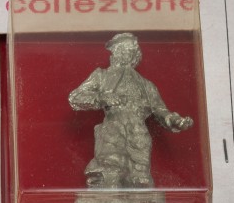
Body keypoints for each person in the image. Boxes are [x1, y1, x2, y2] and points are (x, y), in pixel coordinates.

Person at [69, 31, 192, 189]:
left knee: (140, 182)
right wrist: (101, 98)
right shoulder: (102, 76)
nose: (126, 54)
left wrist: (175, 120)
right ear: (115, 52)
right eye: (122, 50)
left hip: (138, 136)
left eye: (130, 50)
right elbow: (75, 97)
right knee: (110, 173)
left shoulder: (146, 85)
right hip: (113, 132)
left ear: (135, 54)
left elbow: (160, 110)